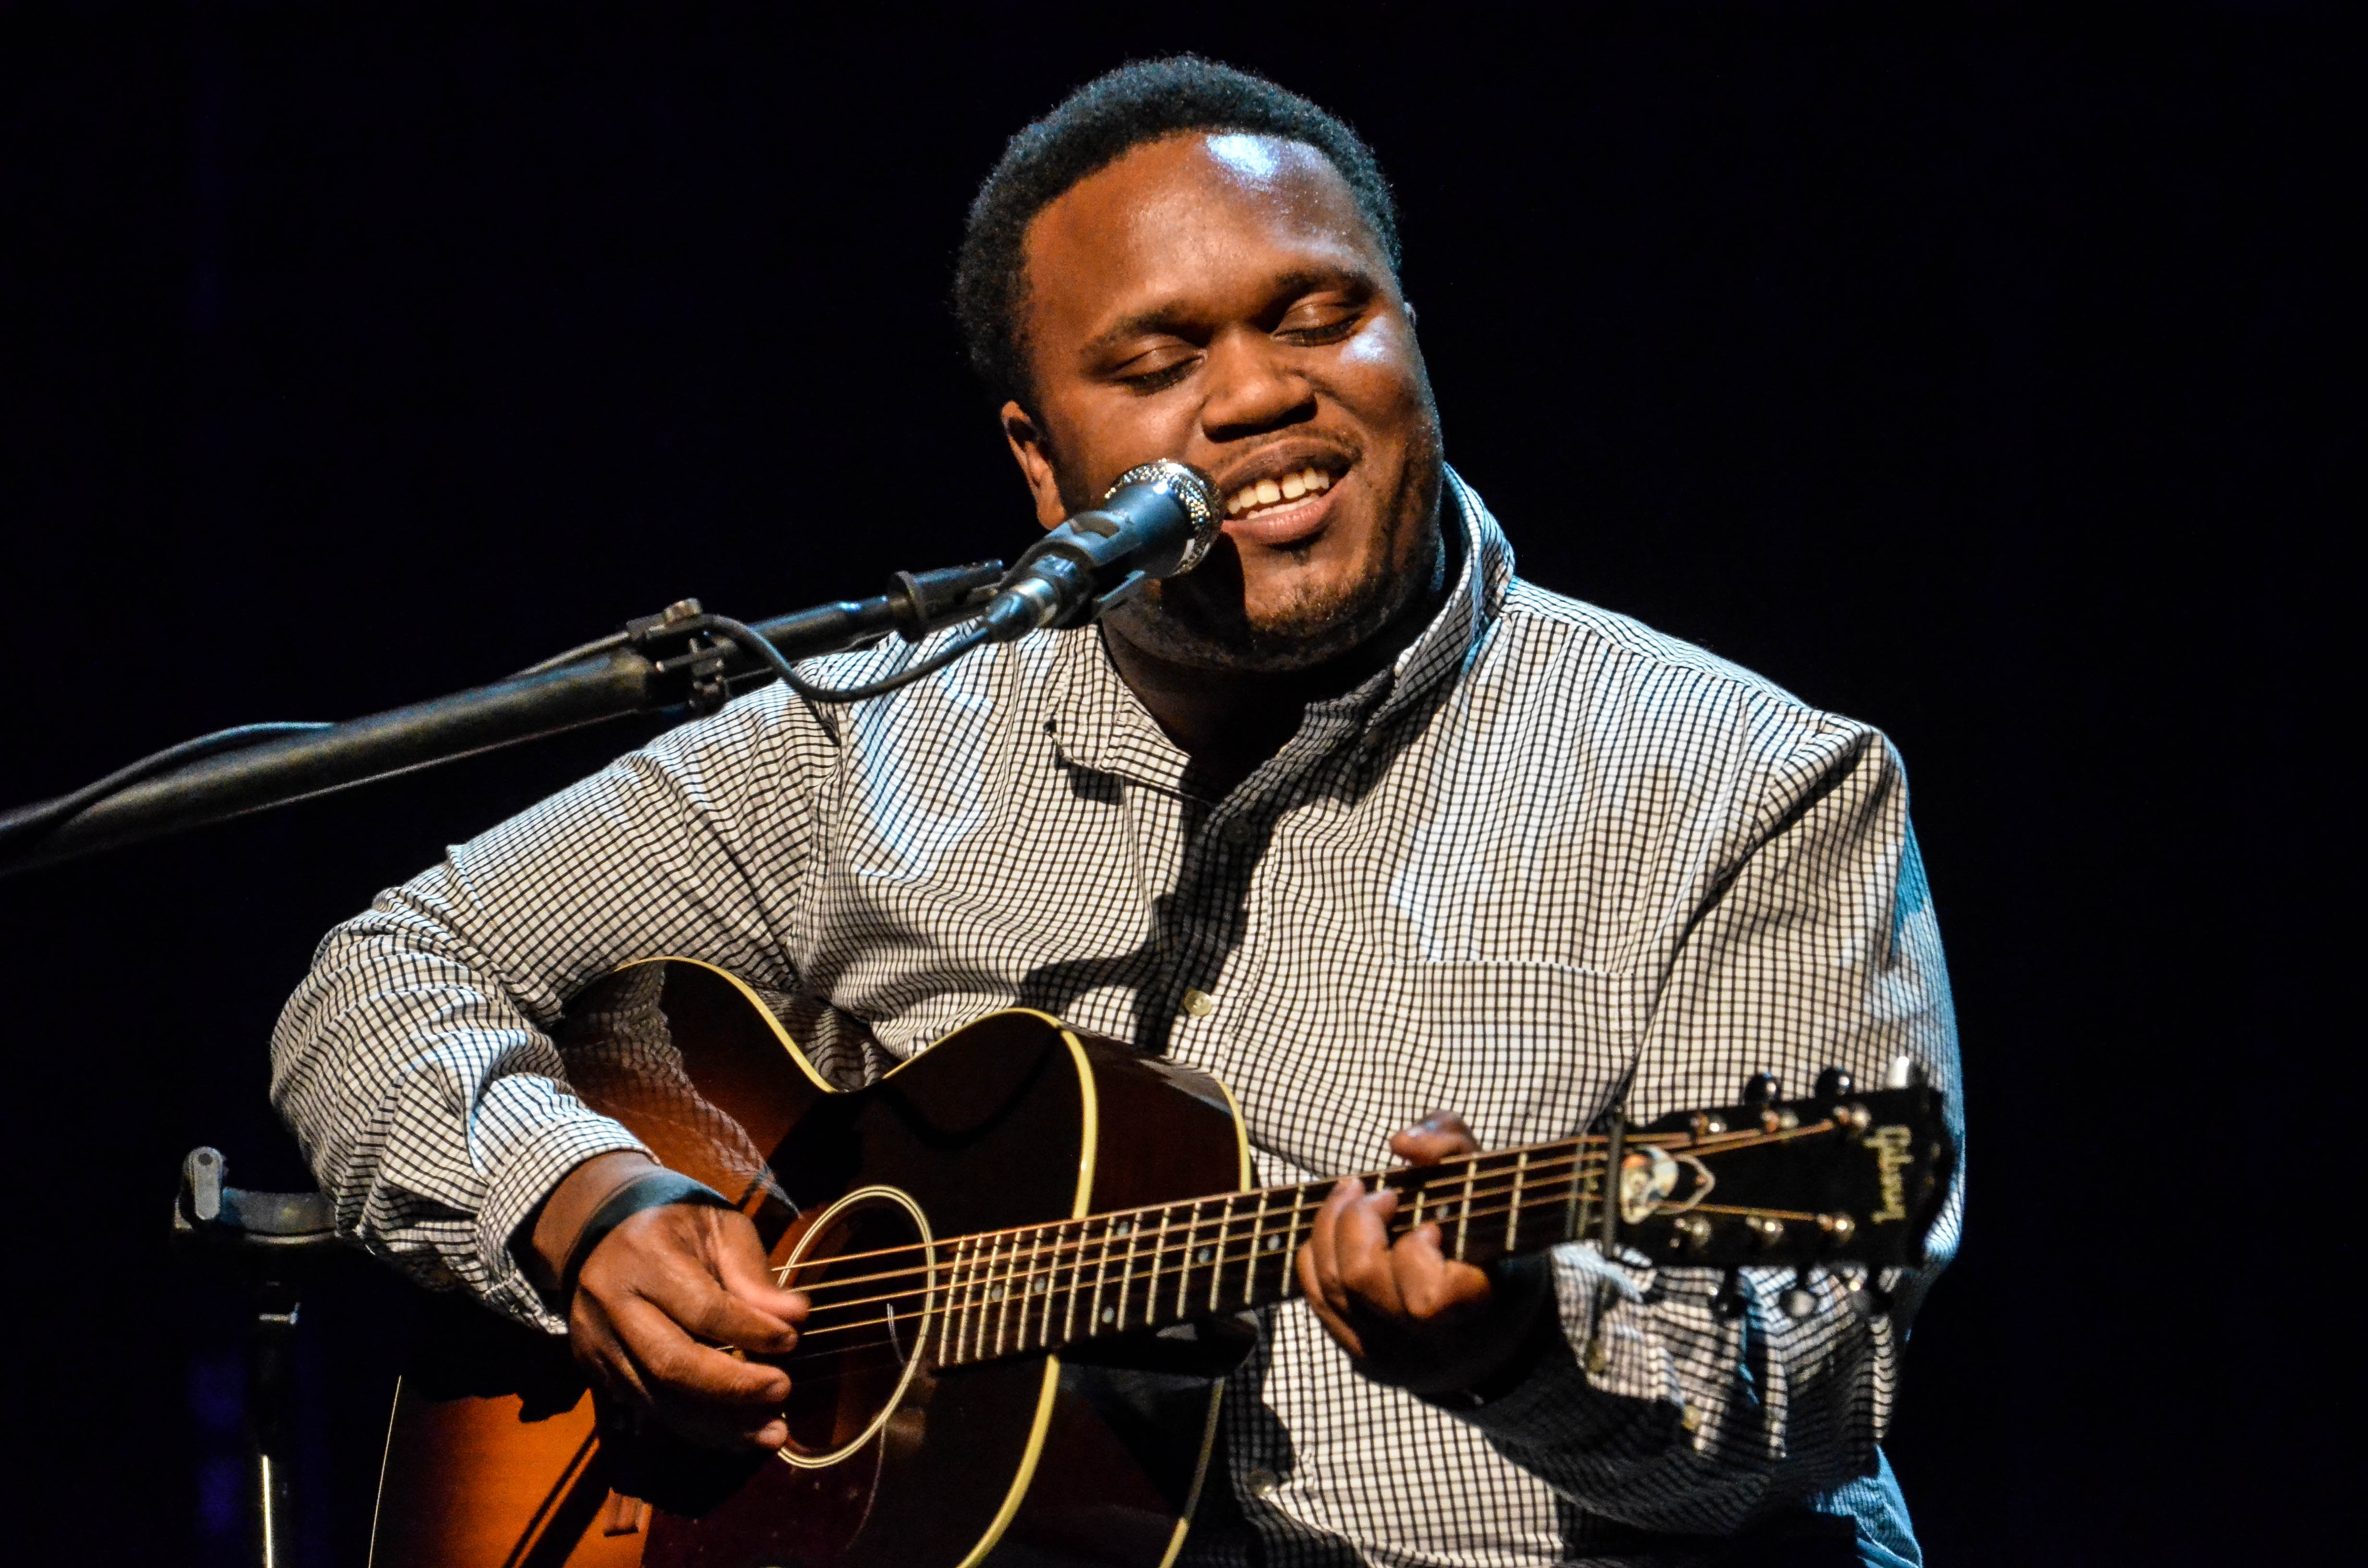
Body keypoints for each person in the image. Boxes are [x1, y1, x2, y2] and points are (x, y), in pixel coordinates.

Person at [273, 57, 1961, 1568]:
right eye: (1157, 361)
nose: (1256, 397)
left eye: (1320, 318)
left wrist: (1520, 1349)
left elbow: (1809, 1394)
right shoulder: (868, 738)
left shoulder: (1748, 781)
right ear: (1039, 459)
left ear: (1411, 334)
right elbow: (383, 974)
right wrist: (587, 1206)